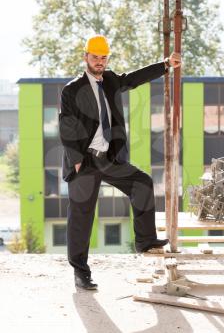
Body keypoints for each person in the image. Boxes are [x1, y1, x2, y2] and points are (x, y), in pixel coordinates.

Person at [59, 35, 181, 290]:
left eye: (103, 58)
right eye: (95, 57)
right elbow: (67, 126)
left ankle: (145, 241)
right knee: (82, 216)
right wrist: (78, 161)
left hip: (110, 157)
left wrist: (165, 65)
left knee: (143, 183)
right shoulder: (72, 89)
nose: (100, 62)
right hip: (85, 160)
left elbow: (133, 79)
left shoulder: (112, 81)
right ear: (86, 57)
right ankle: (80, 272)